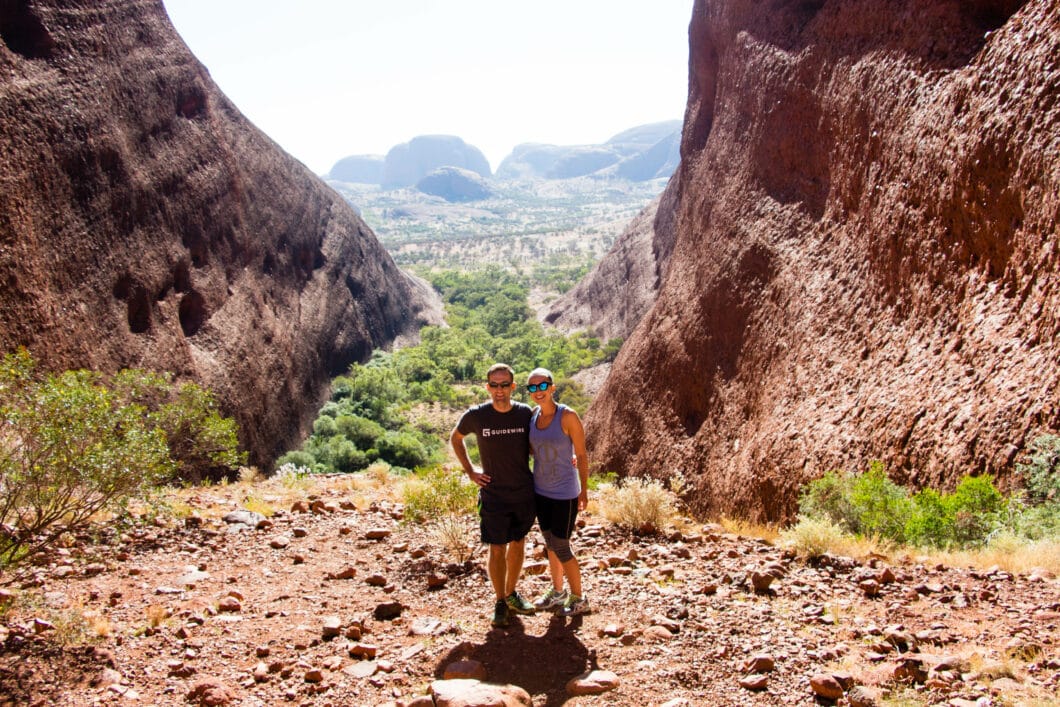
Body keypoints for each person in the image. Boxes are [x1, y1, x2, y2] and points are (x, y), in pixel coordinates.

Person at [450, 363, 537, 628]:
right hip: (494, 494)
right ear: (488, 387)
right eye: (494, 385)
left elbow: (541, 442)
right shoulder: (477, 415)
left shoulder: (524, 413)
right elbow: (456, 438)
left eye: (504, 385)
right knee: (497, 547)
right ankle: (500, 600)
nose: (499, 390)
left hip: (523, 491)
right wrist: (470, 471)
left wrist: (564, 459)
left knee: (518, 543)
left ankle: (511, 593)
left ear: (513, 386)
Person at [525, 367, 591, 617]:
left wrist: (584, 490)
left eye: (543, 386)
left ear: (552, 388)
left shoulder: (568, 416)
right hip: (541, 491)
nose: (538, 391)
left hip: (565, 493)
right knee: (550, 544)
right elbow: (534, 449)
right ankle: (557, 591)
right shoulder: (533, 416)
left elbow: (582, 455)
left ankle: (579, 597)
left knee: (562, 546)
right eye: (533, 387)